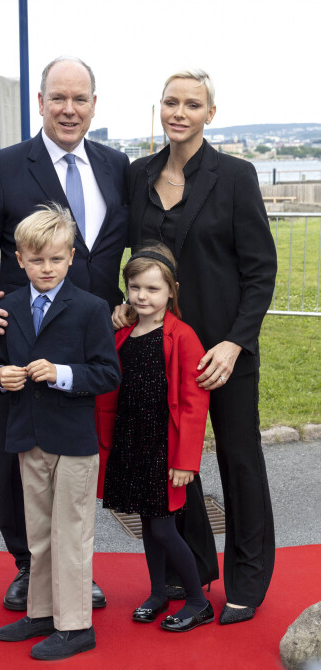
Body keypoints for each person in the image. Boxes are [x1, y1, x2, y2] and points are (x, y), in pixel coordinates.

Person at [0, 56, 129, 611]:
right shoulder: (4, 166)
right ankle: (28, 565)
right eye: (59, 97)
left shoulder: (115, 164)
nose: (69, 109)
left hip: (91, 338)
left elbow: (113, 252)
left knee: (80, 456)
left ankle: (73, 570)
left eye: (80, 99)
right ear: (40, 102)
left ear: (95, 104)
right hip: (23, 336)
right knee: (19, 454)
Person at [116, 69, 276, 624]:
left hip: (223, 352)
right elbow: (135, 259)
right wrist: (125, 303)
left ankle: (248, 583)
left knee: (239, 460)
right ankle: (195, 575)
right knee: (172, 469)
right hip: (160, 350)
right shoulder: (138, 176)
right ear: (159, 108)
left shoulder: (236, 175)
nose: (178, 112)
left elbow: (260, 271)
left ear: (211, 113)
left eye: (192, 104)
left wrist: (234, 343)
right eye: (170, 102)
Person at [0, 204, 120, 660]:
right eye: (37, 259)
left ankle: (76, 624)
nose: (47, 268)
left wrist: (62, 373)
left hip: (74, 441)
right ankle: (42, 612)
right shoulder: (6, 306)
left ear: (70, 258)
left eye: (56, 259)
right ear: (20, 259)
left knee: (72, 533)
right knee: (39, 532)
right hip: (29, 437)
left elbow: (107, 373)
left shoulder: (91, 308)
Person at [97, 244, 213, 632]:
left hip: (165, 448)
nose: (142, 296)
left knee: (163, 527)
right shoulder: (124, 333)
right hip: (132, 442)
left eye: (152, 289)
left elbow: (195, 403)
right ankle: (159, 591)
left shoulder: (182, 336)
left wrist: (186, 461)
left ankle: (197, 601)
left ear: (171, 291)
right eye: (135, 288)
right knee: (148, 524)